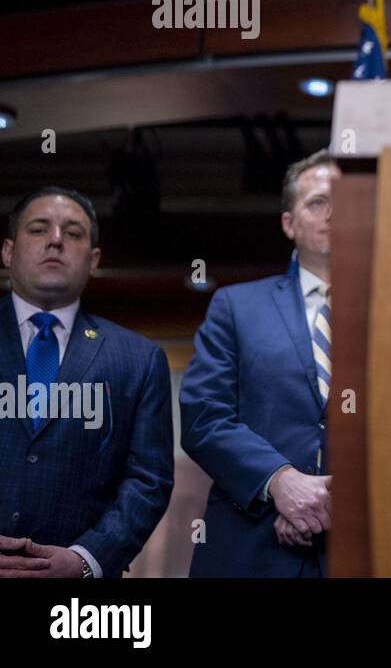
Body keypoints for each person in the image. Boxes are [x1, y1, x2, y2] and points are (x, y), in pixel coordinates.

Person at [0, 187, 173, 578]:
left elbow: (148, 480)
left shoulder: (140, 359)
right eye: (39, 229)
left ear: (93, 260)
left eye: (73, 233)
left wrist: (85, 560)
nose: (56, 240)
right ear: (7, 251)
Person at [181, 150, 339, 577]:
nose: (334, 213)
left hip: (364, 546)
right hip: (251, 547)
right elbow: (203, 417)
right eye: (318, 202)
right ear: (289, 223)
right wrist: (280, 482)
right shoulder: (236, 306)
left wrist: (329, 502)